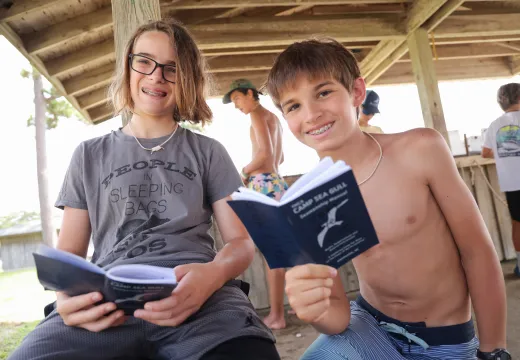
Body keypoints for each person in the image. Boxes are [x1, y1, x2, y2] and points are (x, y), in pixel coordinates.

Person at [8, 19, 280, 360]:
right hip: (108, 305)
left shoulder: (209, 151)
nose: (156, 76)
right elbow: (69, 255)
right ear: (128, 67)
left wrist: (212, 275)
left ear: (188, 79)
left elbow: (240, 243)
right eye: (145, 62)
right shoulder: (88, 154)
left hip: (200, 300)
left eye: (172, 68)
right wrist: (67, 301)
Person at [265, 38, 509, 360]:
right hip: (367, 326)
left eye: (323, 92)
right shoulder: (309, 199)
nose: (311, 114)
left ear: (356, 92)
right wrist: (314, 310)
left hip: (444, 339)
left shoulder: (420, 150)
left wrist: (493, 349)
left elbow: (476, 249)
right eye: (293, 106)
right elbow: (337, 317)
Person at [223, 78, 289, 329]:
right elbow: (279, 157)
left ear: (250, 93)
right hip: (277, 184)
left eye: (238, 99)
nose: (236, 105)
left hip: (263, 185)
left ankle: (277, 316)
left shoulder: (257, 116)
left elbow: (265, 155)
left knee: (272, 255)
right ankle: (278, 314)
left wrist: (245, 170)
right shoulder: (273, 117)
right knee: (277, 254)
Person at [482, 82, 520, 278]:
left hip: (512, 183)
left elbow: (486, 152)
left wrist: (508, 153)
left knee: (517, 224)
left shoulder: (495, 125)